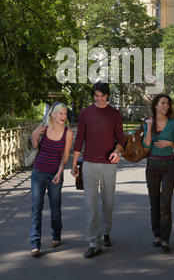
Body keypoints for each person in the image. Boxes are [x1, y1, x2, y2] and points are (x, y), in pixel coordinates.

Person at [72, 82, 124, 259]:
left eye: (102, 96)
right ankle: (94, 242)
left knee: (108, 201)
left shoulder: (115, 114)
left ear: (108, 95)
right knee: (90, 204)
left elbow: (120, 138)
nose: (99, 99)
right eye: (96, 95)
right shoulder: (85, 113)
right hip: (89, 163)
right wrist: (74, 163)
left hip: (109, 163)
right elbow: (79, 138)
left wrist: (117, 152)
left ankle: (106, 231)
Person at [29, 103, 73, 257]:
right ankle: (35, 242)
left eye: (65, 113)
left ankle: (56, 235)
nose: (63, 116)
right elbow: (35, 147)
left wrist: (60, 173)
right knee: (36, 206)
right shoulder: (43, 128)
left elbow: (65, 156)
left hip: (55, 173)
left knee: (55, 207)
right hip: (38, 172)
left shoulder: (68, 133)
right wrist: (35, 134)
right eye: (60, 113)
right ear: (53, 115)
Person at [143, 93, 174, 252]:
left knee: (165, 203)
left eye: (168, 104)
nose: (166, 106)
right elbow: (146, 145)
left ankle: (165, 239)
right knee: (154, 203)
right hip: (152, 166)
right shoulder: (148, 123)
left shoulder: (173, 124)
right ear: (156, 105)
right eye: (163, 103)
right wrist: (150, 126)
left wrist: (170, 143)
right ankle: (157, 234)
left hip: (169, 167)